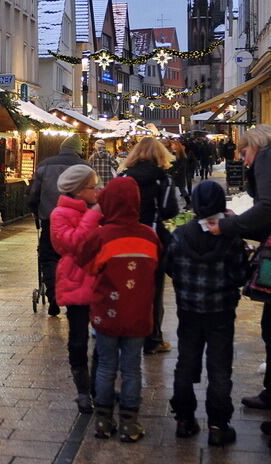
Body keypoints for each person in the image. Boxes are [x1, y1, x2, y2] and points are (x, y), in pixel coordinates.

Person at [165, 181, 250, 446]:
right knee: (220, 367)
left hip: (189, 310)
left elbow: (171, 267)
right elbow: (240, 275)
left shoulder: (180, 234)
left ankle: (184, 420)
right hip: (221, 311)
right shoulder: (231, 237)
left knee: (185, 362)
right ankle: (218, 425)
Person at [78, 177, 159, 442]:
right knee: (132, 368)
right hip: (137, 316)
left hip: (107, 315)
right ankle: (129, 424)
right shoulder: (149, 236)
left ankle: (102, 421)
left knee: (106, 368)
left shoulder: (101, 237)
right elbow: (157, 269)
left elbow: (87, 266)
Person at [206, 125, 271, 411]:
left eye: (244, 152)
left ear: (255, 145)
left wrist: (227, 226)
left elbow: (268, 208)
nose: (243, 160)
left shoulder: (267, 157)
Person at [50, 164, 102, 414]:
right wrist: (94, 216)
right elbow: (73, 243)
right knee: (79, 338)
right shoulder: (59, 214)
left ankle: (98, 386)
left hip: (101, 279)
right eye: (93, 187)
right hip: (76, 280)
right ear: (79, 191)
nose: (97, 191)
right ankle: (83, 390)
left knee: (104, 338)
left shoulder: (97, 208)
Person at [119, 136, 179, 354]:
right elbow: (169, 210)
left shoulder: (124, 176)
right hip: (151, 237)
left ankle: (124, 331)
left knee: (125, 283)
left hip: (123, 237)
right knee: (154, 289)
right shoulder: (163, 178)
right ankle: (153, 338)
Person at [27, 134, 89, 317]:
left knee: (48, 257)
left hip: (50, 221)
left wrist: (35, 210)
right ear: (78, 150)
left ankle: (54, 293)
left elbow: (34, 194)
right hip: (77, 223)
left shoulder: (45, 165)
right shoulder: (86, 168)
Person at [168, 138, 191, 210]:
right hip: (174, 174)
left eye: (173, 145)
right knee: (173, 189)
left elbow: (182, 164)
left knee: (182, 189)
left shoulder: (180, 153)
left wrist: (176, 171)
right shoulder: (174, 153)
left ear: (176, 145)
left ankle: (189, 203)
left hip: (179, 175)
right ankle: (173, 204)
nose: (172, 146)